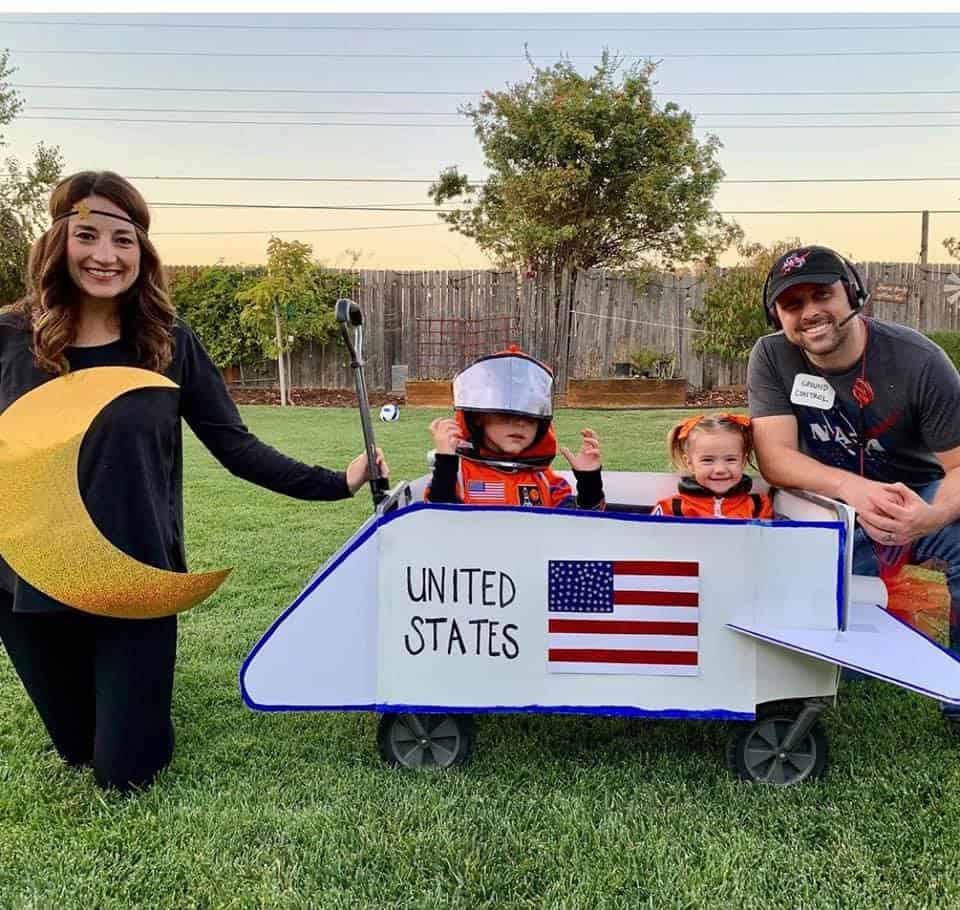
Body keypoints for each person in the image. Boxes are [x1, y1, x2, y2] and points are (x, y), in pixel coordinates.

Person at [0, 170, 387, 791]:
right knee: (75, 749)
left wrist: (337, 481)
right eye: (88, 235)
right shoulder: (9, 338)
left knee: (123, 774)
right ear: (57, 241)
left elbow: (235, 446)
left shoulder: (168, 342)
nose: (106, 255)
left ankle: (137, 707)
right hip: (28, 577)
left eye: (124, 239)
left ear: (142, 251)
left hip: (134, 576)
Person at [746, 244, 960, 716]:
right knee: (840, 662)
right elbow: (776, 458)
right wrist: (851, 491)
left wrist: (932, 516)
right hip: (825, 505)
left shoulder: (919, 361)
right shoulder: (772, 355)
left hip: (911, 494)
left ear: (853, 294)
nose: (810, 312)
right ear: (777, 316)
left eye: (823, 294)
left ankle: (957, 690)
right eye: (792, 304)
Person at [425, 347, 604, 509]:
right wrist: (445, 464)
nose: (521, 423)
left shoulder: (547, 481)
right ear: (479, 417)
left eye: (531, 418)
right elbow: (437, 520)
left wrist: (589, 481)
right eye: (506, 415)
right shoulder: (458, 476)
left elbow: (580, 525)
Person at [652, 413, 774, 519]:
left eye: (730, 459)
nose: (720, 469)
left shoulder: (759, 506)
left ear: (743, 461)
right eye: (707, 460)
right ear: (690, 463)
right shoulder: (671, 508)